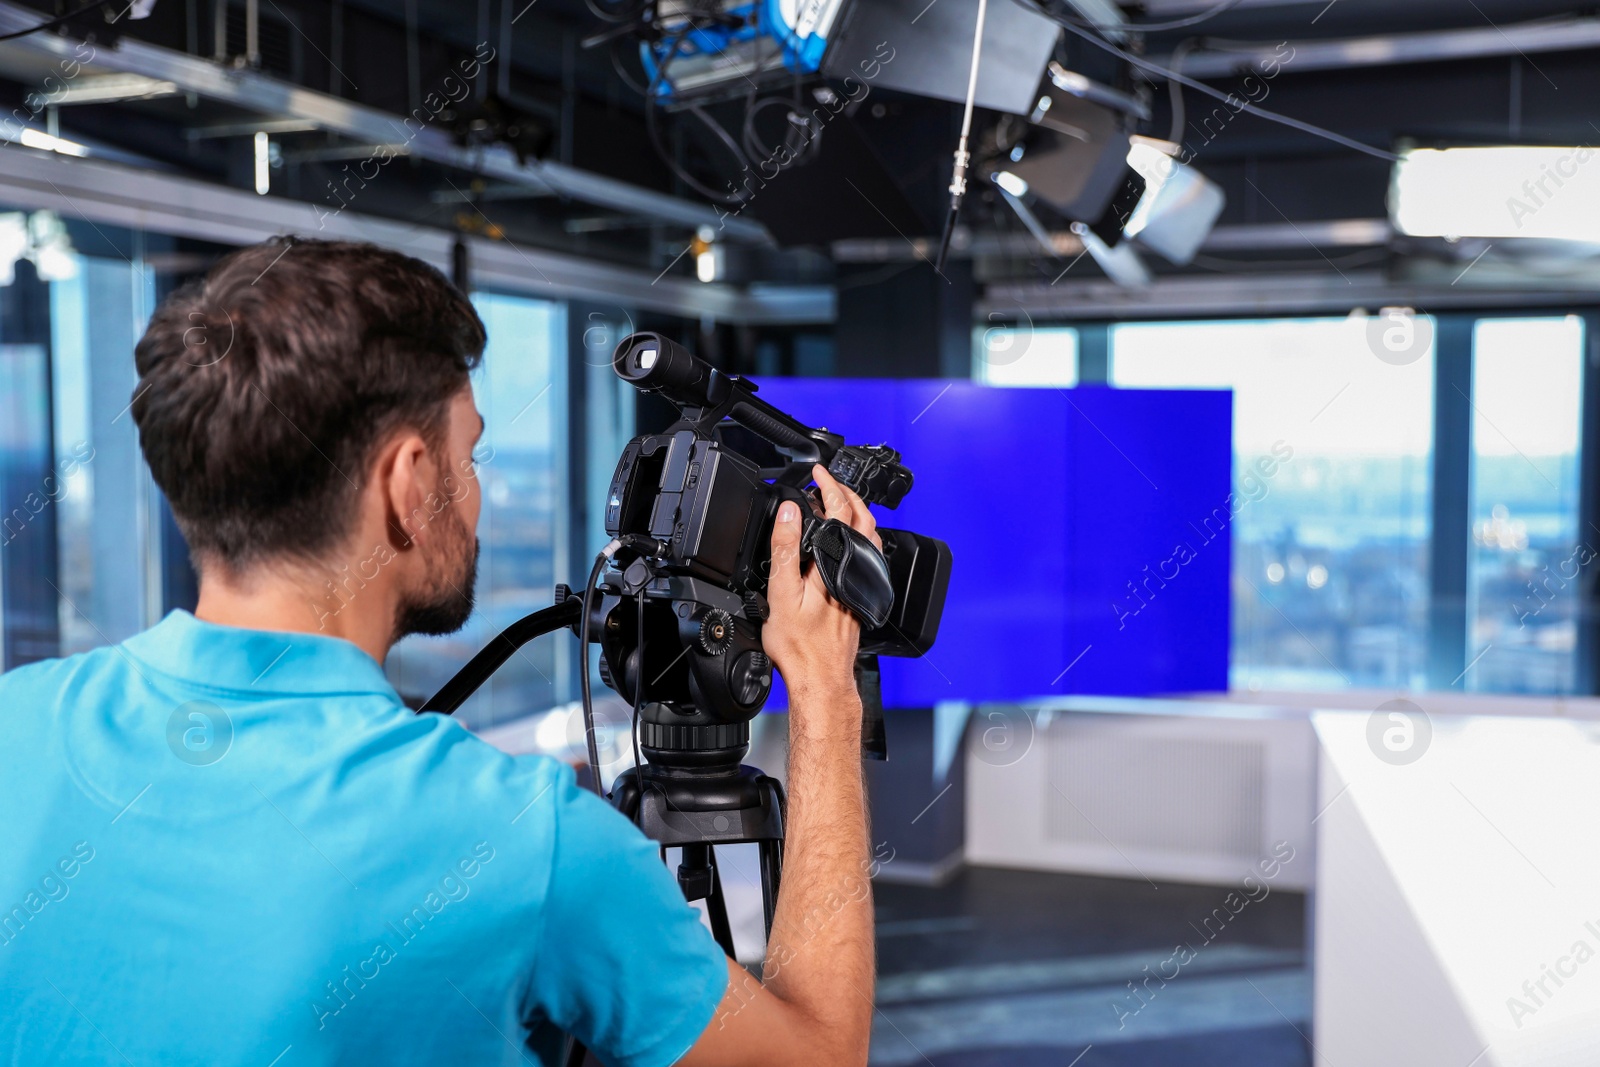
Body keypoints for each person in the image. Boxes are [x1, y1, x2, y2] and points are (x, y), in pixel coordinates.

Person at [0, 238, 877, 1067]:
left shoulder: (16, 723)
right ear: (411, 483)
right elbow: (822, 1056)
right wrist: (824, 693)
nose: (478, 487)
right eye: (471, 452)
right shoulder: (526, 843)